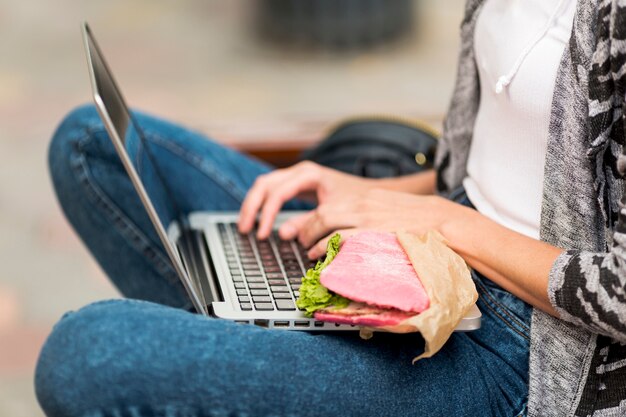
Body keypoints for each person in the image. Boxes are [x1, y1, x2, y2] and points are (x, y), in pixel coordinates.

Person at [35, 0, 626, 416]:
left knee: (85, 354)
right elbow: (485, 167)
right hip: (431, 239)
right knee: (91, 148)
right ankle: (252, 347)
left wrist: (445, 222)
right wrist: (370, 192)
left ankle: (244, 357)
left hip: (523, 349)